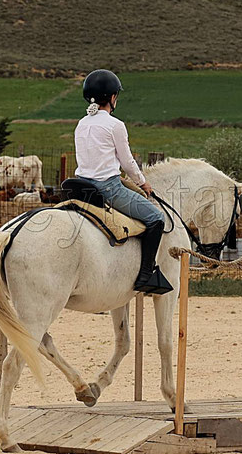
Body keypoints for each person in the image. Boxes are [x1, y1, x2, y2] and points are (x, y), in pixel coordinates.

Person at [73, 69, 173, 295]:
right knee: (156, 218)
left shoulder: (81, 124)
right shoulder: (115, 125)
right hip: (108, 188)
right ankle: (146, 275)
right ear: (111, 97)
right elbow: (126, 162)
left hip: (80, 186)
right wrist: (142, 182)